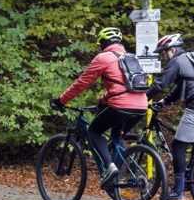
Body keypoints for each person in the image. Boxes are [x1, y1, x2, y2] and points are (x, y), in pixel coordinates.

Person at [51, 27, 147, 188]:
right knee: (117, 137)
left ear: (103, 43)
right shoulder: (132, 57)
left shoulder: (104, 58)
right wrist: (102, 101)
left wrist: (62, 100)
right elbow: (125, 87)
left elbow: (82, 83)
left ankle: (110, 168)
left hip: (120, 106)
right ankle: (124, 175)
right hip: (141, 106)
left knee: (94, 131)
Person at [147, 33, 194, 200]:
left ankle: (178, 190)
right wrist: (165, 101)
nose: (164, 56)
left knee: (178, 146)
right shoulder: (190, 61)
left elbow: (161, 84)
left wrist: (143, 97)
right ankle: (190, 178)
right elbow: (180, 88)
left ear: (172, 50)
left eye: (165, 52)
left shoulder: (177, 61)